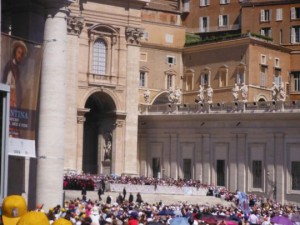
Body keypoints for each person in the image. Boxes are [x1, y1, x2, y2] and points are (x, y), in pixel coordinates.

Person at [2, 40, 27, 108]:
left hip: (14, 96)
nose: (19, 56)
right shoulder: (10, 64)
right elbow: (7, 82)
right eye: (18, 52)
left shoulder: (18, 69)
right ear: (15, 52)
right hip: (9, 94)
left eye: (21, 54)